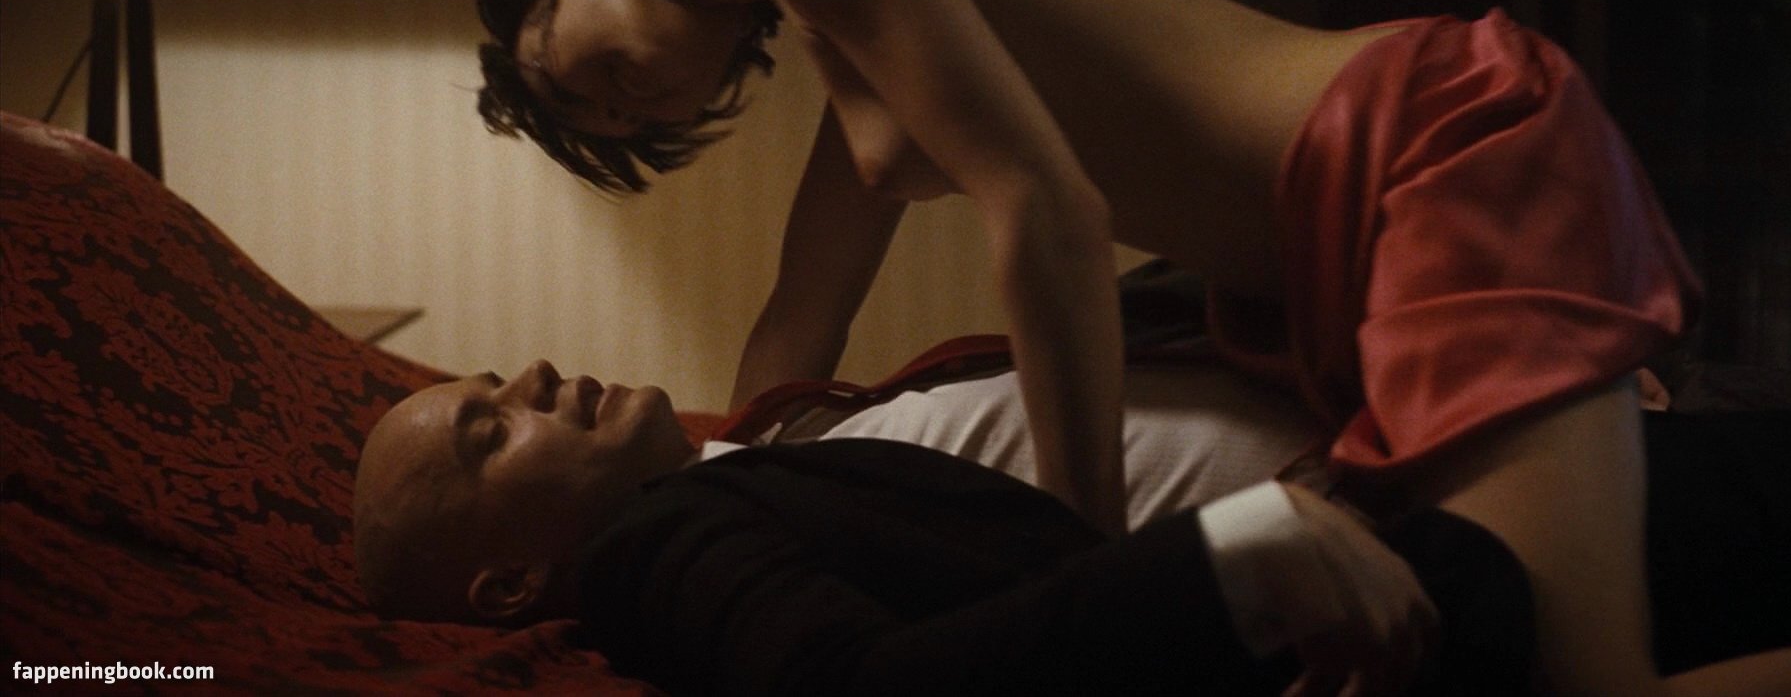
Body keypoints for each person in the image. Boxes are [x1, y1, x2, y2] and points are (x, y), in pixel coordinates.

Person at [467, 0, 1791, 693]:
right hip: (1320, 272)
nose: (633, 106)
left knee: (1578, 688)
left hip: (1420, 155)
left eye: (587, 82)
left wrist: (1087, 559)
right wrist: (734, 456)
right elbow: (807, 308)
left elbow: (1052, 217)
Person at [353, 355, 1538, 696]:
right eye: (490, 432)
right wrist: (1240, 558)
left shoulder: (730, 476)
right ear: (509, 586)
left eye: (496, 383)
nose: (534, 376)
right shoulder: (648, 543)